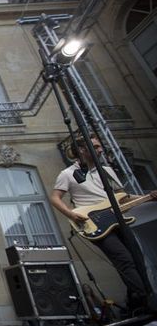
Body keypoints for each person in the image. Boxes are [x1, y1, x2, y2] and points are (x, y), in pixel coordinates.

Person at [49, 133, 157, 315]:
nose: (100, 149)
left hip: (118, 219)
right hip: (94, 223)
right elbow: (55, 198)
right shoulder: (67, 174)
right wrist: (71, 214)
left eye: (99, 146)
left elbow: (123, 197)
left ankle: (136, 302)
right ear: (82, 150)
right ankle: (149, 299)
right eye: (96, 147)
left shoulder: (106, 171)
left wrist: (149, 198)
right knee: (125, 260)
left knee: (138, 259)